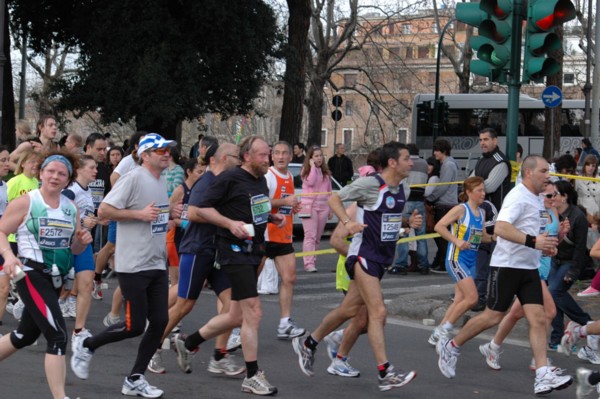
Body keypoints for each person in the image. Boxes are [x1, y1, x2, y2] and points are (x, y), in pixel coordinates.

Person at [436, 155, 573, 395]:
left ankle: (542, 373)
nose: (547, 176)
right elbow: (500, 228)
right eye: (543, 171)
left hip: (528, 268)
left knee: (539, 318)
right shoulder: (517, 196)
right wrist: (533, 241)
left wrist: (547, 243)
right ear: (529, 173)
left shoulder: (537, 199)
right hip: (507, 266)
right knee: (492, 317)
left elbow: (534, 230)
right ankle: (451, 345)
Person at [292, 141, 421, 392]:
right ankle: (385, 372)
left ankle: (308, 343)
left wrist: (407, 222)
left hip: (381, 259)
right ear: (392, 162)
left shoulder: (402, 188)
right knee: (378, 312)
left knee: (349, 310)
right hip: (363, 256)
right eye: (407, 158)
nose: (411, 162)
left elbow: (386, 218)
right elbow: (334, 199)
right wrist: (347, 222)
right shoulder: (371, 184)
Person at [70, 133, 181, 398]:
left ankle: (134, 378)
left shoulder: (161, 179)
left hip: (155, 262)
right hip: (133, 264)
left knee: (160, 321)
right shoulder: (133, 178)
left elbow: (155, 218)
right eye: (160, 151)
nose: (166, 154)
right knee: (134, 325)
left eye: (167, 150)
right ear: (145, 155)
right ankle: (88, 344)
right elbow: (105, 211)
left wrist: (170, 214)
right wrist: (138, 215)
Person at [173, 136, 285, 396]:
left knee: (235, 316)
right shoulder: (229, 177)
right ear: (246, 156)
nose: (267, 159)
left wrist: (270, 216)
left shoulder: (259, 180)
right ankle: (252, 375)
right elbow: (199, 209)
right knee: (253, 313)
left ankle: (189, 342)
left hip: (253, 250)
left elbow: (249, 208)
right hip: (234, 252)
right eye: (262, 155)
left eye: (268, 155)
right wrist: (228, 224)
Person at [0, 151, 92, 399]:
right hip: (30, 274)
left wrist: (82, 243)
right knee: (58, 335)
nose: (55, 176)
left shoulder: (71, 208)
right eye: (50, 171)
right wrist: (9, 256)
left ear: (68, 179)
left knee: (25, 335)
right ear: (40, 173)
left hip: (55, 279)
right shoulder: (27, 202)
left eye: (61, 173)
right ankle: (60, 397)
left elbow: (71, 248)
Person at [149, 144, 244, 376]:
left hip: (218, 252)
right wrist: (226, 221)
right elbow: (192, 213)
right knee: (184, 305)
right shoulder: (208, 181)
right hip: (197, 249)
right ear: (223, 158)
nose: (241, 161)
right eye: (237, 157)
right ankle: (152, 350)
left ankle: (216, 355)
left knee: (234, 309)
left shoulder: (228, 182)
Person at [479, 182, 567, 371]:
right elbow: (528, 239)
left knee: (516, 313)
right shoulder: (533, 211)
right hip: (528, 268)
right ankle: (538, 360)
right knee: (548, 312)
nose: (554, 199)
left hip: (541, 266)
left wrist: (560, 235)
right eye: (549, 196)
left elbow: (549, 242)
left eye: (556, 194)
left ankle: (493, 346)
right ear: (540, 196)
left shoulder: (553, 212)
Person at [428, 176, 492, 346]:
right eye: (479, 190)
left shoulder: (482, 212)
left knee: (459, 300)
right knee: (472, 298)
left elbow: (483, 236)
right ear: (469, 193)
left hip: (471, 261)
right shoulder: (461, 209)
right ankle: (445, 330)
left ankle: (436, 334)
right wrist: (456, 241)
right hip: (456, 259)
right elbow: (439, 226)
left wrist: (499, 238)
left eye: (484, 190)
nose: (483, 193)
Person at [547, 180, 595, 361]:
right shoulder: (551, 213)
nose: (551, 198)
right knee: (552, 295)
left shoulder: (577, 217)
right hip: (554, 258)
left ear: (565, 197)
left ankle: (586, 322)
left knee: (554, 291)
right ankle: (556, 337)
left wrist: (573, 272)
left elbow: (580, 248)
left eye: (554, 195)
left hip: (570, 261)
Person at [264, 141, 306, 339]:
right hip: (264, 235)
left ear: (291, 157)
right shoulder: (268, 176)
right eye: (277, 153)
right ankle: (235, 326)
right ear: (272, 156)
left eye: (284, 154)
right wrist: (284, 202)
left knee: (289, 278)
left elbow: (285, 204)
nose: (281, 157)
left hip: (283, 235)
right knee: (248, 283)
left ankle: (284, 323)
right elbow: (260, 203)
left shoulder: (289, 176)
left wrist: (292, 207)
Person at [61, 155, 100, 348]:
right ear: (79, 170)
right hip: (67, 244)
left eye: (96, 167)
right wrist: (83, 222)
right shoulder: (70, 191)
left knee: (86, 285)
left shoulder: (88, 190)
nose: (95, 171)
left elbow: (85, 215)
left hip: (84, 243)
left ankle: (79, 331)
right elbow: (62, 212)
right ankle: (34, 317)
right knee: (58, 287)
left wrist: (97, 221)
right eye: (92, 167)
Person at [391, 143, 430, 275]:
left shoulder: (405, 164)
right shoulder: (424, 164)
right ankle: (423, 264)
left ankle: (401, 263)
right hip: (420, 201)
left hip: (406, 200)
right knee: (421, 235)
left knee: (403, 233)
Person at [426, 139, 458, 273]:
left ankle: (444, 263)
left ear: (443, 151)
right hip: (446, 203)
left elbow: (443, 186)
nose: (434, 154)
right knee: (442, 236)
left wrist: (431, 198)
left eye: (437, 150)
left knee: (442, 236)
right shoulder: (449, 163)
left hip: (445, 204)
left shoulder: (448, 165)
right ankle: (440, 261)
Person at [300, 145, 332, 272]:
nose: (319, 158)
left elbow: (329, 192)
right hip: (309, 206)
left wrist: (331, 209)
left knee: (317, 237)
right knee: (310, 236)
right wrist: (312, 166)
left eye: (320, 156)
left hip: (323, 206)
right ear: (311, 158)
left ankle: (313, 260)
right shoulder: (306, 170)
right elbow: (311, 182)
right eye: (316, 156)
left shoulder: (325, 173)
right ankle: (308, 263)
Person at [0, 147, 13, 325]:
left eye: (8, 160)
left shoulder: (5, 186)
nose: (7, 164)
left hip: (2, 241)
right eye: (3, 160)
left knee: (4, 289)